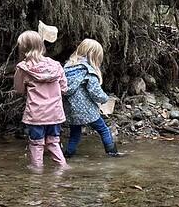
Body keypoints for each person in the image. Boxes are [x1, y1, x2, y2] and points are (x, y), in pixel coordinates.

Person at [13, 30, 68, 170]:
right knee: (54, 142)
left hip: (36, 114)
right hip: (55, 113)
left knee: (36, 144)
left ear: (23, 48)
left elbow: (18, 89)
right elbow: (64, 88)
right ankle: (62, 167)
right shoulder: (56, 65)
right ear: (41, 46)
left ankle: (36, 173)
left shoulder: (23, 68)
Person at [63, 38, 123, 158]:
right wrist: (105, 99)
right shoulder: (88, 71)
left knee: (75, 133)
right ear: (94, 56)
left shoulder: (67, 68)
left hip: (71, 110)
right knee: (104, 130)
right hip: (88, 111)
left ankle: (68, 154)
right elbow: (95, 92)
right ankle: (112, 153)